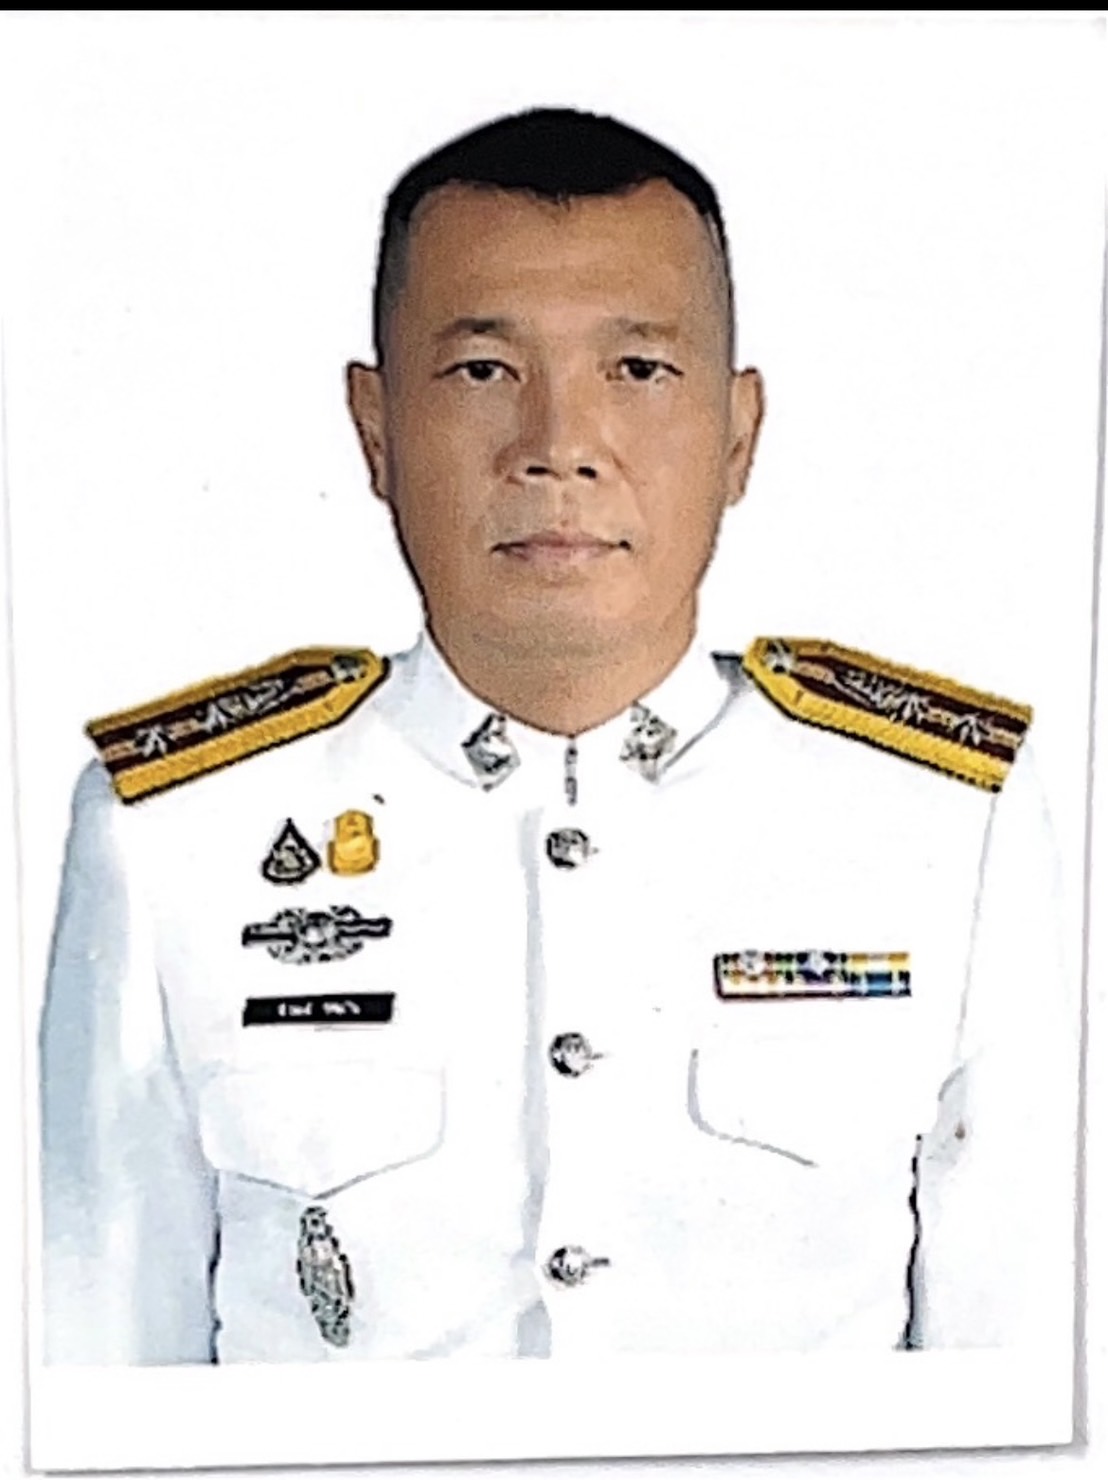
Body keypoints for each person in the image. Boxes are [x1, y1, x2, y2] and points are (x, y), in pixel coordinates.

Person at [39, 107, 1077, 1364]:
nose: (557, 449)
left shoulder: (943, 827)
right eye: (483, 371)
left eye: (636, 370)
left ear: (738, 434)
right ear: (375, 430)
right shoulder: (172, 836)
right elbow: (95, 1384)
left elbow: (1030, 1386)